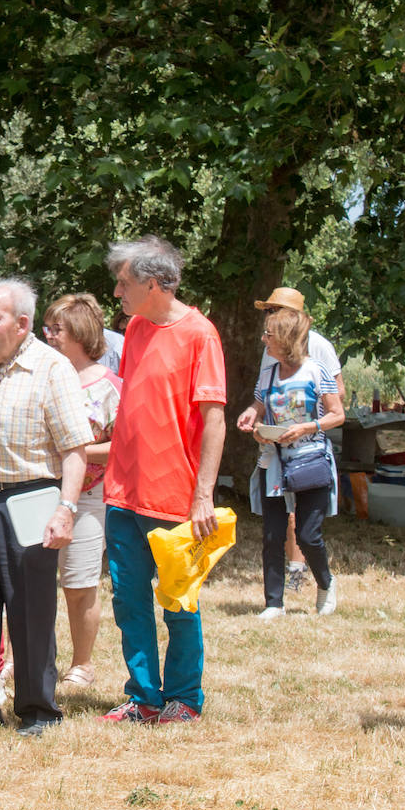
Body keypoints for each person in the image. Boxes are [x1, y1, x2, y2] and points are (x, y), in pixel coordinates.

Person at [0, 280, 91, 737]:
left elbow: (74, 449)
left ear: (23, 324)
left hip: (30, 499)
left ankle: (37, 710)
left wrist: (65, 509)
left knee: (30, 609)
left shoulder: (53, 368)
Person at [100, 236, 226, 725]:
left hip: (175, 499)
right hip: (122, 493)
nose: (117, 292)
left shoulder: (201, 334)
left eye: (124, 283)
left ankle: (184, 699)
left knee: (179, 603)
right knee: (129, 602)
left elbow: (213, 419)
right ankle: (143, 697)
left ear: (154, 284)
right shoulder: (134, 328)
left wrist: (203, 497)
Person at [238, 306, 346, 619]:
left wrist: (306, 428)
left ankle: (325, 582)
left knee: (308, 535)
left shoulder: (316, 371)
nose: (263, 339)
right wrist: (252, 419)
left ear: (285, 339)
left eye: (268, 334)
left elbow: (337, 414)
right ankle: (274, 603)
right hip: (273, 461)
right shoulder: (268, 373)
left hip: (309, 460)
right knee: (272, 535)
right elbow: (258, 407)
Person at [42, 293, 121, 687]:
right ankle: (29, 660)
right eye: (48, 328)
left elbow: (124, 446)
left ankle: (82, 664)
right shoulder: (42, 375)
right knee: (30, 584)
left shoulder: (109, 387)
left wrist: (77, 451)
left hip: (88, 498)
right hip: (37, 492)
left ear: (81, 334)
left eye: (57, 329)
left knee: (78, 584)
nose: (49, 336)